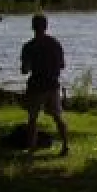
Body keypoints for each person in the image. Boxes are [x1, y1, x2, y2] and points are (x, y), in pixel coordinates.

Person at [21, 14, 69, 156]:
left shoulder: (29, 46)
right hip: (53, 85)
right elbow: (62, 65)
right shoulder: (55, 44)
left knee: (33, 119)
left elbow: (25, 70)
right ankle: (65, 145)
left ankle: (31, 148)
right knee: (58, 117)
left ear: (32, 27)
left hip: (36, 86)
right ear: (46, 26)